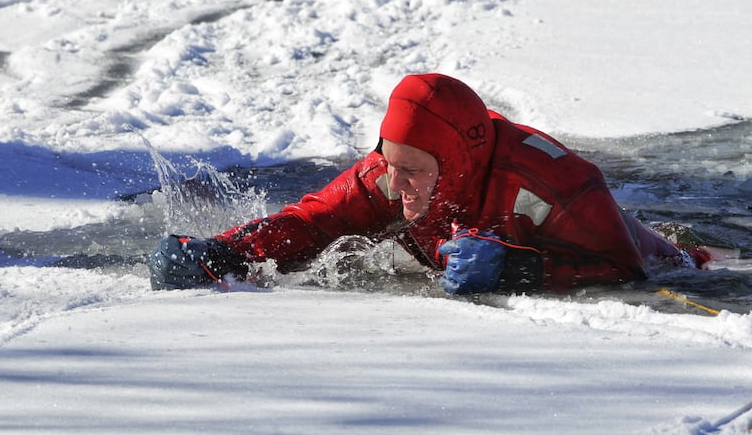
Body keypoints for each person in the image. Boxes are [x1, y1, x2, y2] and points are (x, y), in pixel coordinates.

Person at [149, 73, 709, 293]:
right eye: (387, 163)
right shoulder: (393, 169)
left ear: (457, 161)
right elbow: (318, 220)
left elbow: (627, 271)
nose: (395, 186)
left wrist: (518, 268)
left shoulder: (557, 184)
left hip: (678, 261)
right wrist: (227, 250)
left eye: (413, 170)